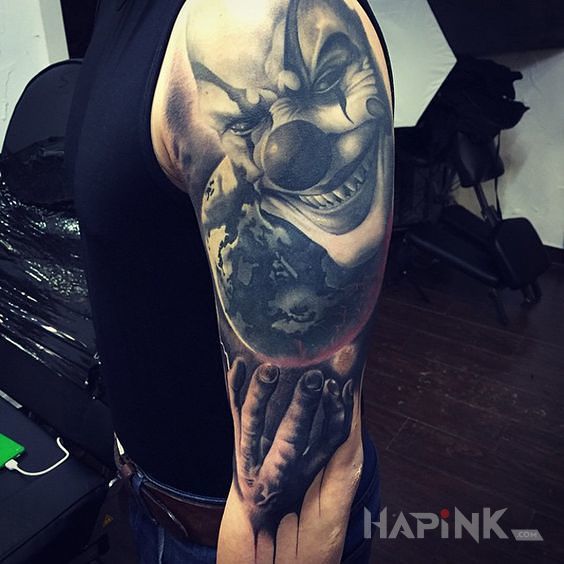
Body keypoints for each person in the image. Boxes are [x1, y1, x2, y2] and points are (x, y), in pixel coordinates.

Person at [67, 0, 394, 561]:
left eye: (324, 83)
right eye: (244, 124)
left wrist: (270, 523)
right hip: (153, 494)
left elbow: (304, 464)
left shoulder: (250, 15)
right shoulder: (117, 12)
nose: (285, 155)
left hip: (236, 529)